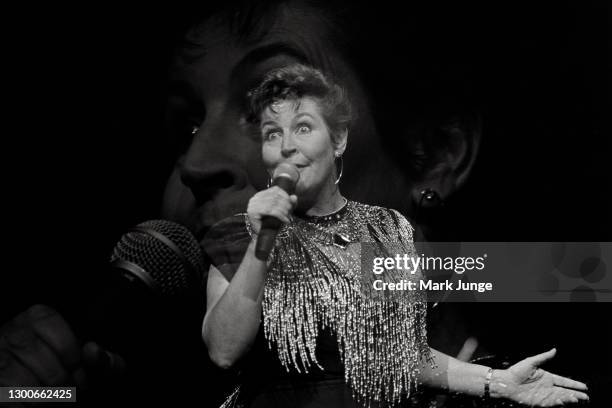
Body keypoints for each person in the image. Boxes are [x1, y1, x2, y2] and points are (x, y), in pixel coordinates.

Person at [201, 64, 589, 408]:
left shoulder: (388, 230)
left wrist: (498, 383)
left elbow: (404, 357)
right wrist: (262, 242)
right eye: (272, 133)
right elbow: (224, 350)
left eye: (303, 127)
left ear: (338, 140)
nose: (286, 145)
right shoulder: (240, 233)